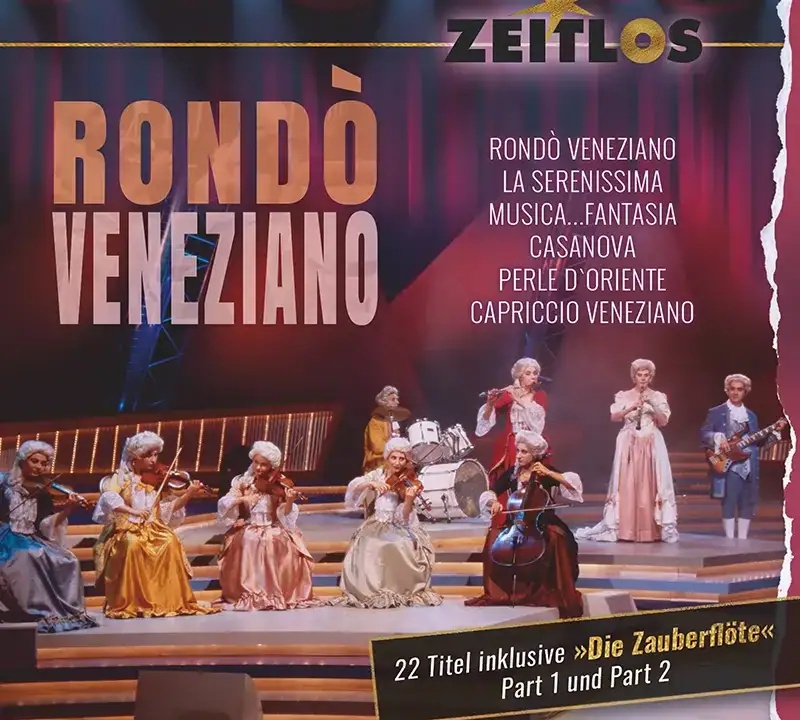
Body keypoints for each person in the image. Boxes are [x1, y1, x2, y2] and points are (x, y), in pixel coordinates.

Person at [92, 431, 220, 619]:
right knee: (132, 545)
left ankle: (167, 600)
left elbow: (168, 509)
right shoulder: (121, 478)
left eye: (155, 455)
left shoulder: (155, 480)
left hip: (152, 527)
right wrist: (133, 511)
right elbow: (108, 497)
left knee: (170, 541)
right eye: (148, 455)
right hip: (126, 528)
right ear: (135, 458)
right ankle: (133, 601)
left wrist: (189, 493)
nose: (154, 460)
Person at [465, 431, 584, 618]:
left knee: (558, 538)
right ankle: (501, 591)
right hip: (515, 522)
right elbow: (491, 492)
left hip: (542, 522)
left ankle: (549, 587)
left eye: (524, 452)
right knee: (493, 537)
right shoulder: (512, 474)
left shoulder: (544, 472)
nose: (518, 456)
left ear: (534, 454)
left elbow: (572, 484)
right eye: (518, 451)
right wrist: (493, 502)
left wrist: (549, 473)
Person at [331, 437, 443, 609]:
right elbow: (355, 485)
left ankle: (396, 589)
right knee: (366, 542)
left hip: (398, 525)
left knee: (397, 544)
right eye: (394, 458)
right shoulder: (378, 474)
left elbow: (403, 517)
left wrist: (408, 500)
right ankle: (369, 590)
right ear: (387, 457)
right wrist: (371, 483)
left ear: (407, 460)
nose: (397, 463)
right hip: (377, 523)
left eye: (402, 459)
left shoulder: (407, 481)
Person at [576, 359, 678, 544]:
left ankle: (649, 530)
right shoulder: (624, 395)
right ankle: (626, 529)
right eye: (640, 375)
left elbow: (663, 421)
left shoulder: (658, 396)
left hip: (651, 442)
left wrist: (652, 405)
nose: (643, 378)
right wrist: (632, 407)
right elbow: (614, 416)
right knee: (627, 483)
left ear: (651, 377)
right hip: (629, 443)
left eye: (646, 375)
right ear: (634, 376)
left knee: (651, 483)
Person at [0, 441, 98, 632]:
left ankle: (59, 610)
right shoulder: (4, 483)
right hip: (6, 536)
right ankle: (33, 609)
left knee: (67, 559)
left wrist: (69, 508)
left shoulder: (42, 491)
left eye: (44, 463)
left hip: (31, 536)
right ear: (23, 460)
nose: (39, 467)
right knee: (27, 556)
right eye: (34, 461)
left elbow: (45, 523)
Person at [216, 441, 319, 610]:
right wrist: (243, 499)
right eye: (256, 462)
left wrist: (289, 500)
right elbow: (224, 502)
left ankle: (276, 592)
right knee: (249, 539)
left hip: (272, 526)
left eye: (264, 465)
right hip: (250, 526)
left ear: (272, 466)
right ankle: (251, 591)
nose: (258, 468)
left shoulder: (279, 484)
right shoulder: (243, 482)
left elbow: (286, 516)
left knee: (276, 539)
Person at [700, 374, 787, 540]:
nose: (735, 392)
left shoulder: (751, 416)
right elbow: (704, 434)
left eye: (739, 389)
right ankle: (729, 540)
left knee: (747, 502)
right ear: (727, 390)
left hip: (749, 465)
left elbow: (758, 443)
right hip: (728, 465)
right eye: (732, 389)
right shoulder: (716, 412)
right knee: (729, 500)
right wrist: (718, 437)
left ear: (745, 391)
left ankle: (743, 540)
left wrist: (775, 431)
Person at [475, 357, 548, 484]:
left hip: (532, 444)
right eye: (528, 373)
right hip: (512, 444)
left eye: (535, 373)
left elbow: (537, 425)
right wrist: (490, 404)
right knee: (507, 478)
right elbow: (487, 419)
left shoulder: (540, 395)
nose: (533, 376)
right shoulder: (507, 394)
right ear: (520, 376)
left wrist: (516, 399)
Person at [363, 385, 411, 473]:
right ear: (384, 403)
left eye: (397, 399)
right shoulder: (375, 421)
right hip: (377, 466)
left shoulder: (393, 422)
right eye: (393, 399)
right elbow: (377, 447)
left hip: (391, 465)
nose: (397, 402)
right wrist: (398, 447)